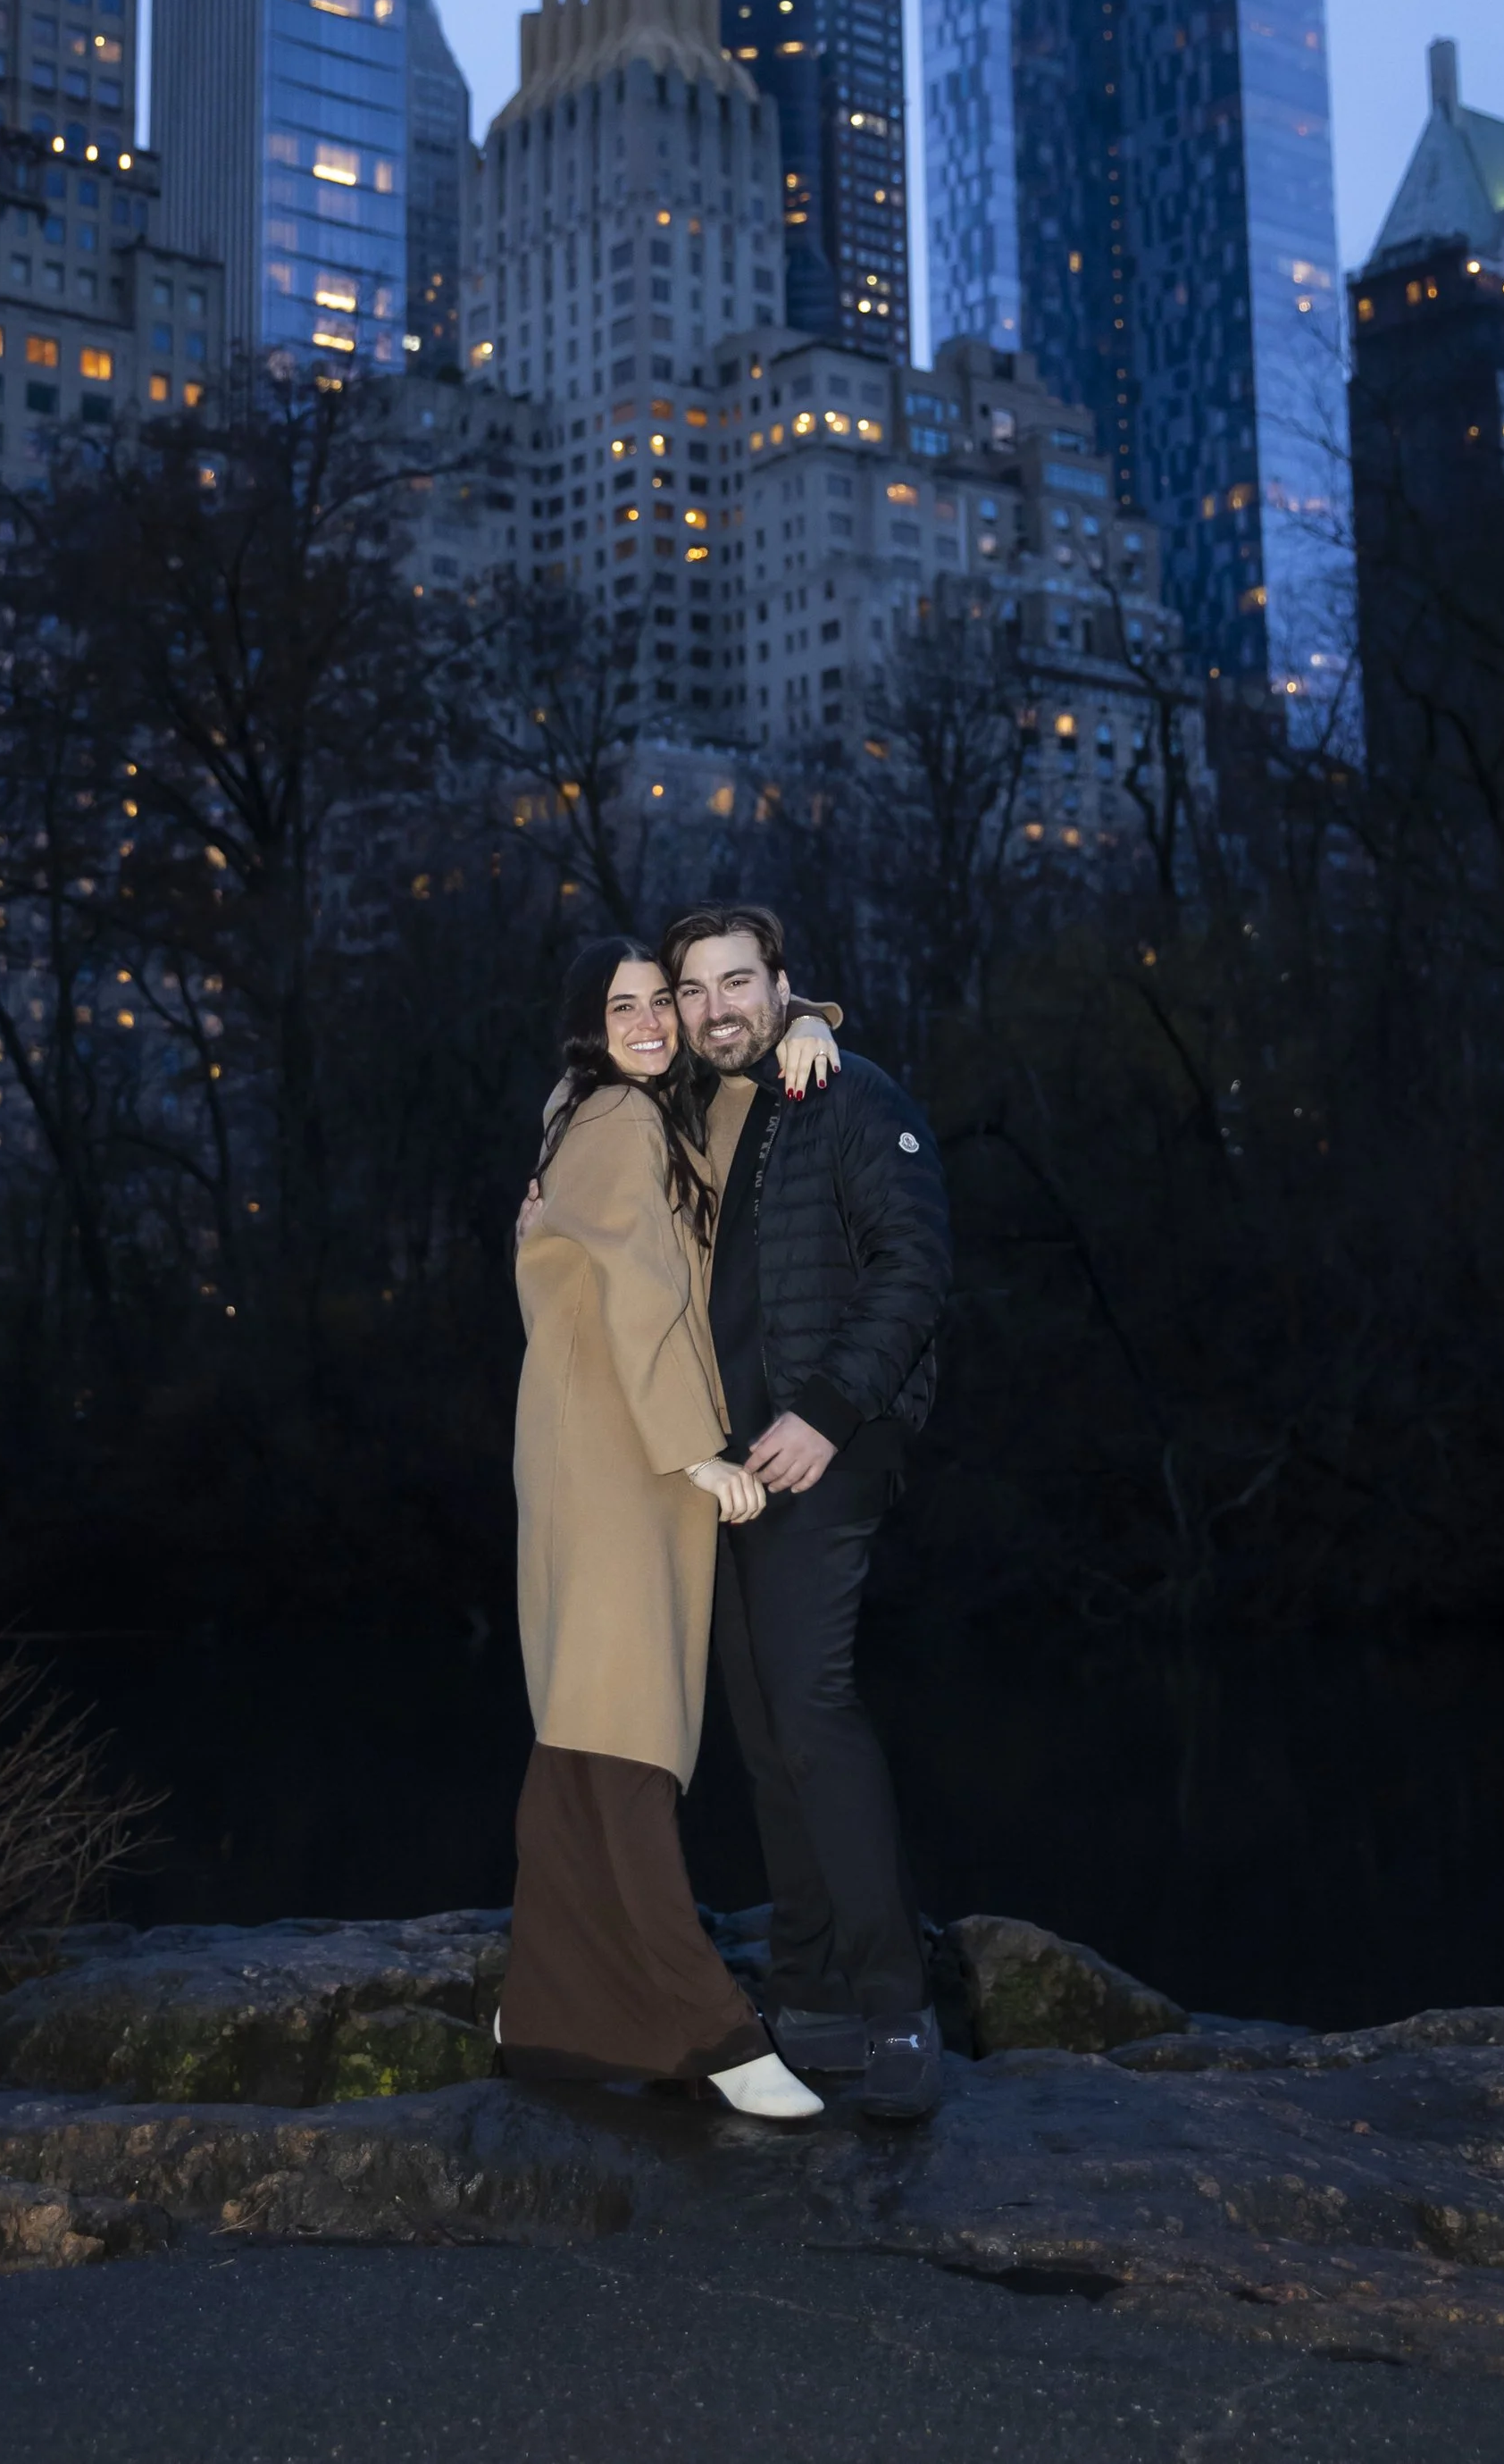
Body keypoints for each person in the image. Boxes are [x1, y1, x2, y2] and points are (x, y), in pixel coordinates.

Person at [495, 932, 840, 2116]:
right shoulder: (620, 1121)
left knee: (583, 1740)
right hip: (621, 1455)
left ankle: (545, 2010)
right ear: (588, 1024)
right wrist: (695, 1443)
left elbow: (554, 1258)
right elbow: (642, 1278)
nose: (651, 1019)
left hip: (601, 1445)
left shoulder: (617, 1116)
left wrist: (812, 1024)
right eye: (624, 1003)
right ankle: (711, 2030)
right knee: (631, 1741)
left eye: (662, 999)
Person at [665, 902, 951, 2123]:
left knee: (814, 1707)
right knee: (764, 1723)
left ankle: (896, 2003)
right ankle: (808, 1990)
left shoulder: (850, 1093)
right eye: (696, 990)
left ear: (783, 982)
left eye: (741, 981)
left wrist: (830, 1411)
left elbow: (916, 1264)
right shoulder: (705, 1108)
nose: (718, 1005)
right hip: (722, 1467)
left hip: (821, 1443)